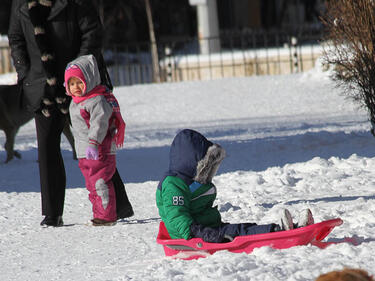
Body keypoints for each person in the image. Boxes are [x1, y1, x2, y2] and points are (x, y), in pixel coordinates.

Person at [8, 0, 132, 226]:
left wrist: (78, 72)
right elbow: (15, 38)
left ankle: (119, 206)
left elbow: (92, 33)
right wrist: (25, 73)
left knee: (98, 145)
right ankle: (52, 213)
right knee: (46, 148)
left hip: (79, 86)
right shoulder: (20, 3)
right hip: (40, 86)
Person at [156, 129, 314, 242]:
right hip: (194, 236)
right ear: (191, 162)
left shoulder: (191, 180)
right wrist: (202, 233)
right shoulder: (173, 184)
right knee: (239, 233)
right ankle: (280, 232)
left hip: (209, 228)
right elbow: (176, 217)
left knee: (242, 228)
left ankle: (284, 229)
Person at [64, 54, 132, 226]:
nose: (76, 87)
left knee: (101, 183)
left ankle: (106, 216)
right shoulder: (76, 102)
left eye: (79, 82)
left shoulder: (96, 100)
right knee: (92, 185)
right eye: (71, 84)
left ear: (90, 80)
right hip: (84, 152)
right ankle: (99, 213)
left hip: (99, 150)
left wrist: (93, 143)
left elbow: (99, 124)